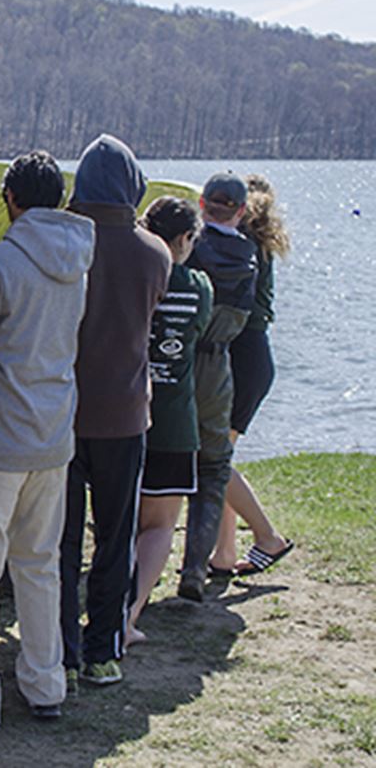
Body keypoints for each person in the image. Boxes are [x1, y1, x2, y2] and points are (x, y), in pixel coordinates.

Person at [0, 151, 94, 734]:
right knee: (41, 567)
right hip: (54, 435)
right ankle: (45, 682)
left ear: (9, 199)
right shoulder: (81, 263)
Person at [59, 134, 171, 688]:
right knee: (114, 536)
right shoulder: (156, 252)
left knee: (58, 540)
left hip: (60, 412)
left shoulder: (63, 241)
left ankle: (59, 649)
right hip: (125, 415)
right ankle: (104, 648)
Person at [126, 197, 213, 644]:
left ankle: (108, 608)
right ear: (183, 240)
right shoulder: (198, 286)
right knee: (159, 526)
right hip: (175, 422)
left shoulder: (133, 275)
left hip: (126, 416)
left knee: (119, 524)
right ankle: (131, 612)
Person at [178, 172, 257, 601]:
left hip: (184, 359)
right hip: (221, 364)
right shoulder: (250, 254)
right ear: (241, 212)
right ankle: (194, 570)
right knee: (213, 469)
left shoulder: (195, 248)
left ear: (203, 205)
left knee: (160, 458)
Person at [210, 177, 293, 575]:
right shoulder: (258, 246)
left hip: (243, 357)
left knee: (214, 458)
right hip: (254, 357)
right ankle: (224, 554)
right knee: (221, 455)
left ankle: (267, 537)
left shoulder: (237, 247)